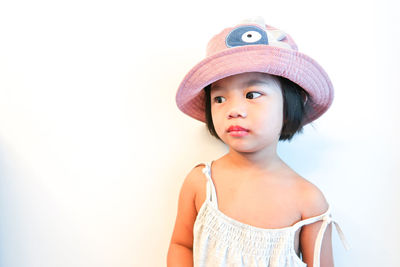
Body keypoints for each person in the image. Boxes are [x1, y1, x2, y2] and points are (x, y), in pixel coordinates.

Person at [167, 17, 349, 267]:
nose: (234, 110)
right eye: (219, 98)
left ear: (289, 107)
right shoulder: (201, 182)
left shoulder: (308, 200)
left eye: (252, 94)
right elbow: (181, 244)